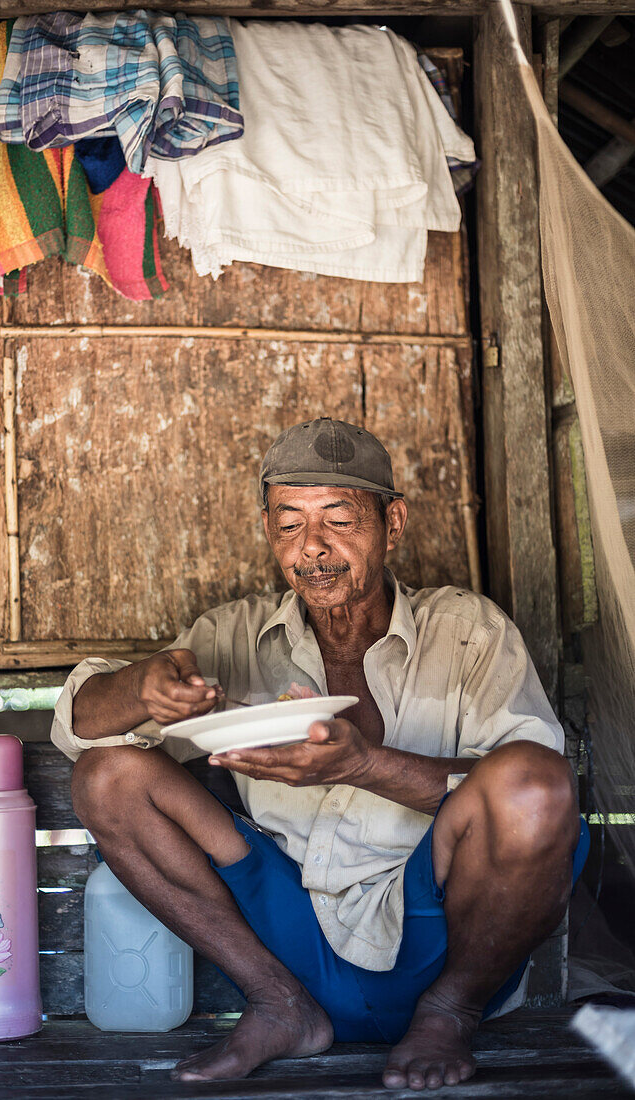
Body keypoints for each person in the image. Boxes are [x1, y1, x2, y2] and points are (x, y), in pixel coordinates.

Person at [51, 417, 588, 1091]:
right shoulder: (231, 636)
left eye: (339, 519)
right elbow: (80, 729)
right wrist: (144, 687)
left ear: (392, 524)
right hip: (284, 926)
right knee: (106, 777)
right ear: (268, 530)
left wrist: (361, 765)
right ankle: (280, 1006)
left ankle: (449, 1014)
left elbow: (537, 796)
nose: (313, 549)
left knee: (536, 788)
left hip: (438, 930)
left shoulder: (468, 633)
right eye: (289, 524)